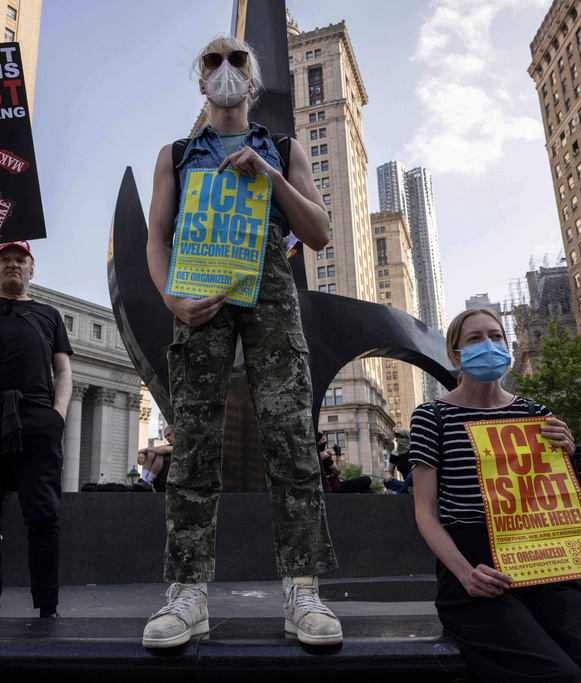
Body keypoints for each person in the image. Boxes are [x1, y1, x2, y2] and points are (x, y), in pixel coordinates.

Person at [142, 36, 340, 648]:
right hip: (198, 297)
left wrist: (272, 176)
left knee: (290, 439)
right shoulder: (174, 155)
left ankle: (302, 592)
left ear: (252, 81)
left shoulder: (283, 148)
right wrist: (170, 298)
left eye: (237, 61)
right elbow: (156, 238)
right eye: (212, 61)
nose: (225, 69)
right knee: (195, 444)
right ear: (201, 81)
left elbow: (319, 233)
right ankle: (188, 595)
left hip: (271, 292)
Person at [409, 308, 581, 682]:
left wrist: (568, 455)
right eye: (475, 338)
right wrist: (465, 574)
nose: (488, 345)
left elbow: (558, 499)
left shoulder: (535, 413)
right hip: (476, 568)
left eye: (496, 336)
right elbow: (425, 513)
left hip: (542, 561)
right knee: (555, 675)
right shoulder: (432, 416)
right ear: (455, 354)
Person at [0, 235, 73, 618]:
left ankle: (47, 608)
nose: (14, 265)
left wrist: (58, 414)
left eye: (21, 260)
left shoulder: (49, 314)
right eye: (5, 260)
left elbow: (64, 370)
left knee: (43, 515)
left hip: (37, 416)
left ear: (32, 269)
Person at [131, 424, 174, 492]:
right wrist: (143, 453)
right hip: (160, 482)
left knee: (158, 453)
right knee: (151, 452)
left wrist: (145, 450)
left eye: (169, 435)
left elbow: (167, 450)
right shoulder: (167, 447)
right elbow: (156, 450)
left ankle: (148, 481)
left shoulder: (183, 445)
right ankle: (144, 480)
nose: (167, 438)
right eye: (166, 437)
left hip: (170, 483)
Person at [384, 429, 412, 493]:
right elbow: (389, 471)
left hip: (416, 480)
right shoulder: (395, 454)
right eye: (398, 437)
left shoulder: (413, 451)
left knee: (413, 473)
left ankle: (400, 492)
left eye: (402, 437)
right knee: (386, 481)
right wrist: (388, 475)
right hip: (406, 483)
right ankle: (407, 489)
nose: (399, 439)